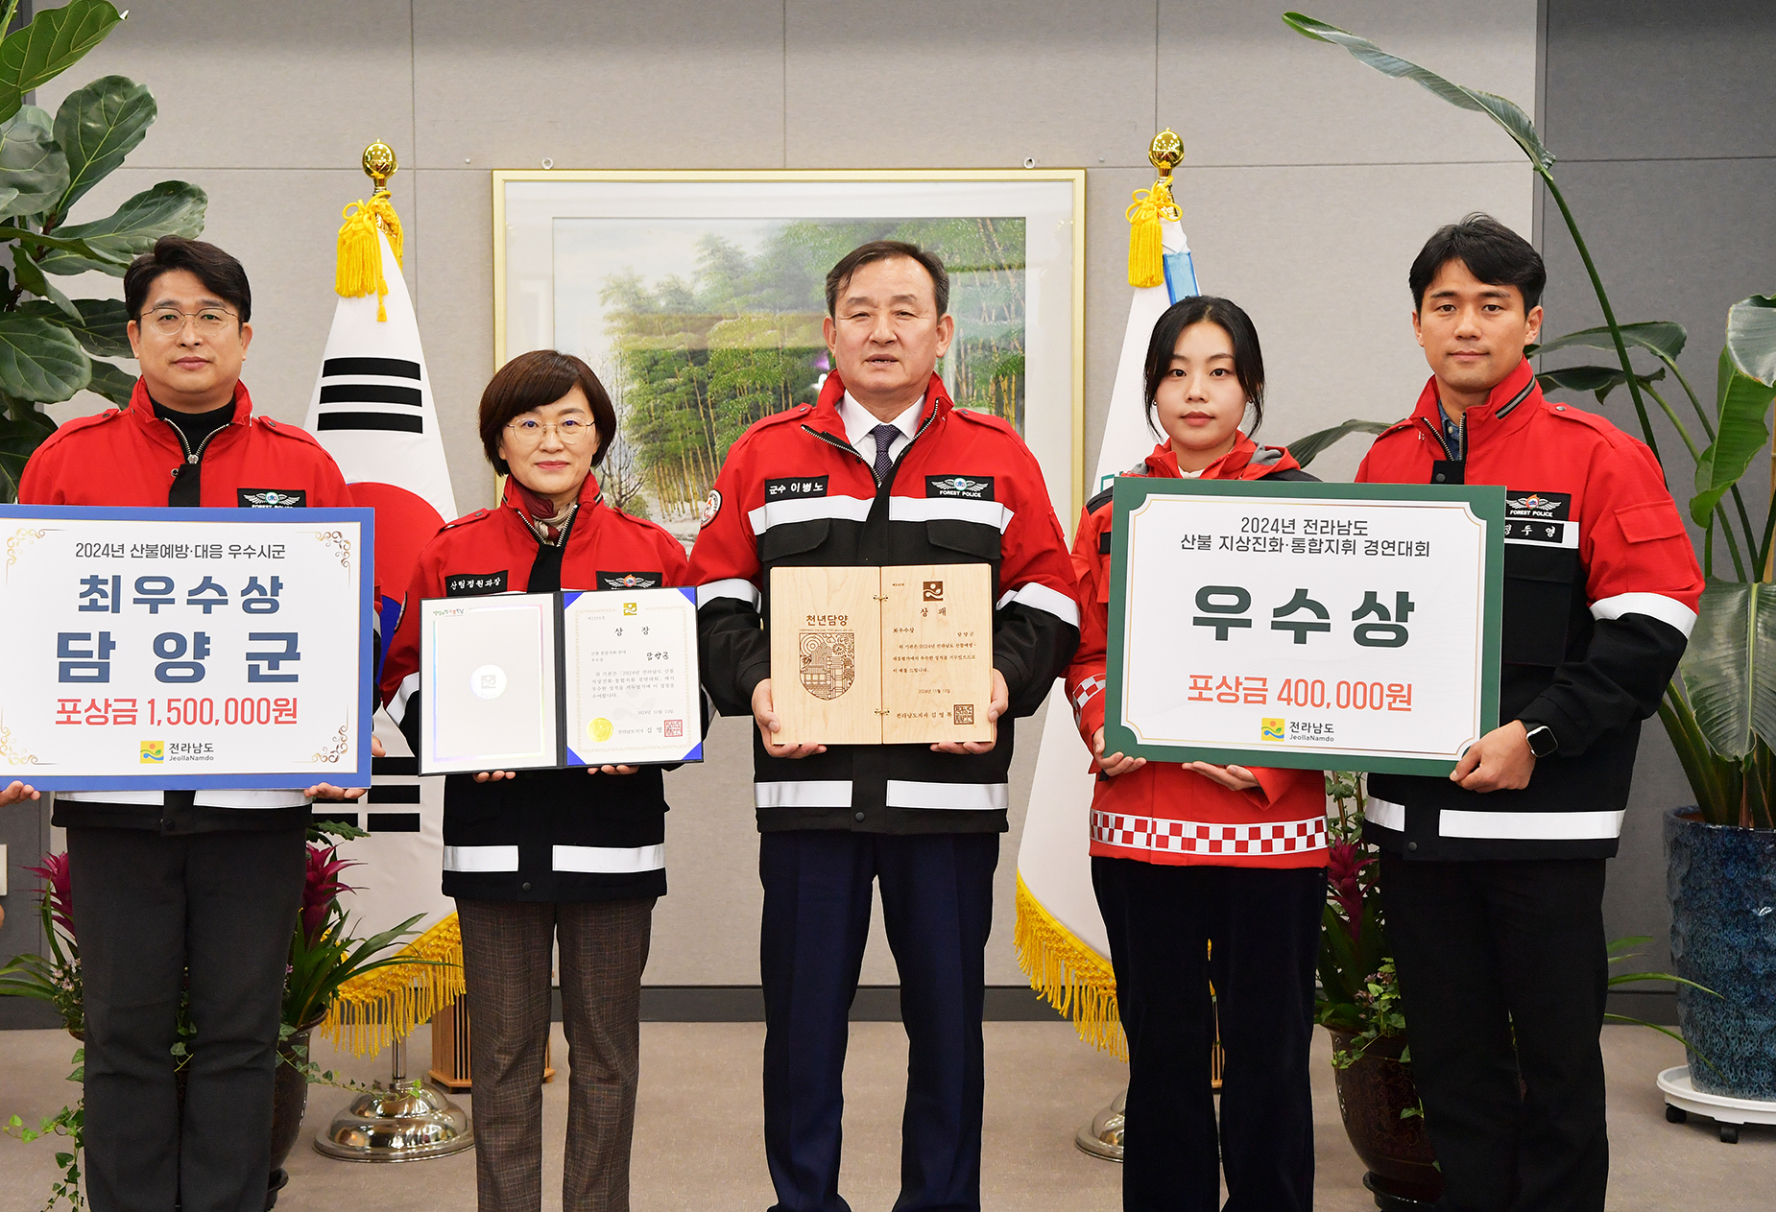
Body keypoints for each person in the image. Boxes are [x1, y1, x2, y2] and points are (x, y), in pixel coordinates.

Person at [0, 235, 375, 1212]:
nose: (190, 335)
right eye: (167, 317)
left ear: (244, 335)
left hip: (257, 809)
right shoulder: (72, 459)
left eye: (211, 317)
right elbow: (32, 619)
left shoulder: (302, 465)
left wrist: (339, 739)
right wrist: (7, 728)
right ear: (136, 334)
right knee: (124, 1044)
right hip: (114, 811)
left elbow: (337, 631)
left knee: (241, 1042)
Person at [686, 240, 1081, 1212]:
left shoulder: (997, 457)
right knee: (802, 1031)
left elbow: (1056, 600)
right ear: (830, 333)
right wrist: (759, 684)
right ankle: (804, 1201)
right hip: (810, 799)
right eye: (862, 311)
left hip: (946, 803)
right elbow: (713, 596)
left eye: (907, 310)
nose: (883, 329)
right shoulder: (764, 454)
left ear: (943, 333)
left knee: (949, 1031)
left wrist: (997, 678)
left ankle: (940, 1204)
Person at [1355, 215, 1702, 1212]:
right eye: (1446, 306)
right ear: (1419, 326)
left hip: (1545, 829)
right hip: (1416, 832)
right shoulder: (1384, 465)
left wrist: (1535, 736)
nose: (1468, 326)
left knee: (1557, 1075)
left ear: (1532, 324)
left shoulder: (1601, 457)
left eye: (1491, 307)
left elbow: (1651, 627)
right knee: (1453, 1072)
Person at [378, 350, 686, 1212]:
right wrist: (456, 736)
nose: (551, 440)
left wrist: (654, 736)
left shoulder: (653, 552)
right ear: (498, 442)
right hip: (492, 840)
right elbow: (401, 680)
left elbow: (687, 687)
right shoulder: (451, 552)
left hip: (614, 841)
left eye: (571, 420)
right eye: (528, 422)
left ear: (599, 437)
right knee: (503, 1058)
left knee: (606, 1057)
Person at [1066, 296, 1328, 1212]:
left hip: (1271, 831)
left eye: (1219, 371)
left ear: (1249, 387)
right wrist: (1107, 726)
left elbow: (1332, 663)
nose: (1196, 391)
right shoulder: (1110, 513)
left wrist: (1271, 764)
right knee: (1166, 1059)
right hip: (1143, 829)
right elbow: (1088, 652)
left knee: (1269, 1056)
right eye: (1176, 371)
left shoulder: (1310, 509)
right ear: (1152, 390)